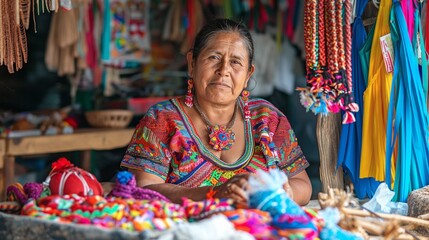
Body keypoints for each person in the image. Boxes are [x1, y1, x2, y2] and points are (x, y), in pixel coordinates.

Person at [120, 18, 312, 206]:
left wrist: (283, 193)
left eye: (236, 62)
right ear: (192, 63)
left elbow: (303, 185)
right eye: (214, 57)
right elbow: (142, 190)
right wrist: (215, 193)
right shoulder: (162, 119)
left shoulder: (268, 118)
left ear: (248, 74)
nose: (224, 70)